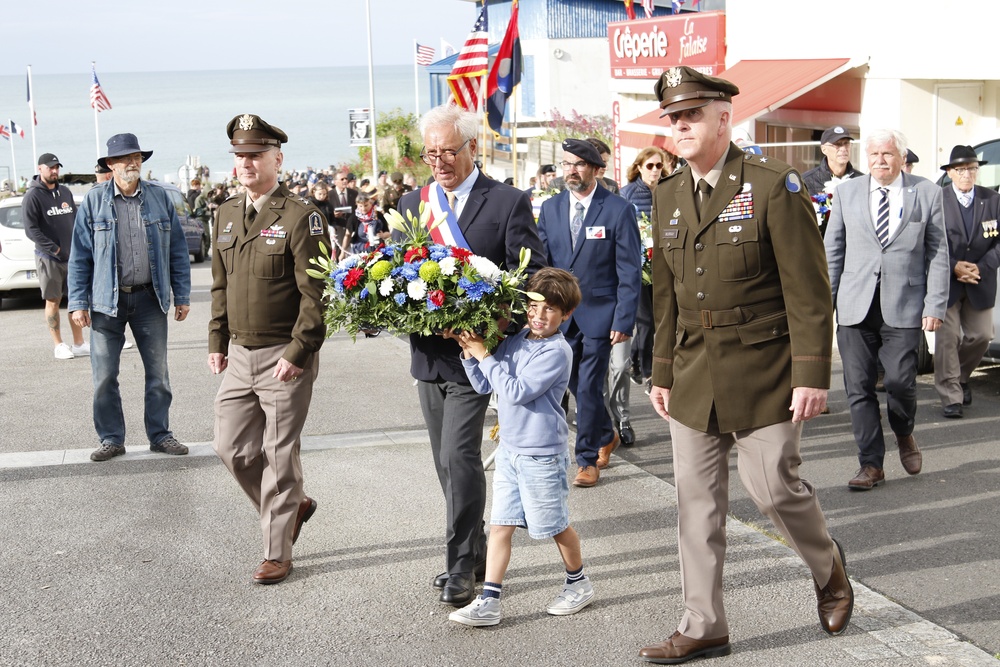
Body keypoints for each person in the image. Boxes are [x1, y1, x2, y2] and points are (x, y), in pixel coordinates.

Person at [642, 66, 853, 663]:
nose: (681, 127)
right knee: (696, 502)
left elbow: (808, 291)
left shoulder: (771, 184)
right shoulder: (666, 195)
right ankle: (703, 623)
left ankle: (829, 567)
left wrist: (812, 373)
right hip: (691, 372)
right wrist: (661, 370)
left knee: (772, 490)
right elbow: (665, 293)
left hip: (767, 369)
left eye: (692, 116)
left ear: (723, 117)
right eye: (673, 119)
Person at [397, 104, 546, 608]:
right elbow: (397, 274)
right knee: (445, 463)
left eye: (447, 152)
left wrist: (494, 326)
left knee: (460, 456)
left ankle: (461, 568)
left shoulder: (506, 202)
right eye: (430, 153)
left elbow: (532, 278)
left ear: (472, 148)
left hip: (476, 357)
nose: (438, 162)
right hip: (428, 357)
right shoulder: (415, 202)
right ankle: (477, 549)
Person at [209, 114, 330, 586]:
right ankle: (293, 505)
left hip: (285, 355)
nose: (246, 163)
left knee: (279, 455)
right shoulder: (223, 214)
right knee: (231, 448)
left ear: (277, 159)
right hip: (240, 354)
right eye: (240, 155)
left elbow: (315, 295)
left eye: (256, 155)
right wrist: (217, 339)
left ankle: (276, 551)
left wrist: (299, 352)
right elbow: (220, 286)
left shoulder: (302, 216)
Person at [448, 268, 594, 627]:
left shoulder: (557, 351)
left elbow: (514, 390)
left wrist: (485, 355)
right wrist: (469, 352)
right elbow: (485, 385)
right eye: (533, 306)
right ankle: (490, 600)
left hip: (541, 453)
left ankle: (578, 583)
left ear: (566, 314)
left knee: (554, 525)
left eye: (549, 310)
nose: (538, 315)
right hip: (511, 450)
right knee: (501, 525)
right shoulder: (516, 340)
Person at [825, 129, 949, 490]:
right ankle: (871, 465)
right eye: (874, 154)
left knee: (899, 382)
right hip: (854, 305)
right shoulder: (847, 192)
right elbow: (833, 251)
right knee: (858, 387)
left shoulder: (925, 192)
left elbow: (938, 253)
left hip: (905, 305)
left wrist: (934, 303)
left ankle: (904, 432)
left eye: (888, 154)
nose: (880, 160)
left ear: (902, 157)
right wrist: (824, 304)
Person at [68, 133, 192, 462]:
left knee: (159, 373)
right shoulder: (93, 201)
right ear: (111, 165)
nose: (132, 163)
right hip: (105, 303)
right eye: (125, 158)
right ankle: (111, 438)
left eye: (136, 157)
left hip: (150, 300)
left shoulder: (159, 198)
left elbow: (178, 249)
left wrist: (182, 294)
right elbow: (79, 256)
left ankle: (160, 434)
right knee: (104, 375)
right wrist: (78, 302)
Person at [536, 138, 642, 488]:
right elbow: (543, 266)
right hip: (561, 318)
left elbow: (629, 270)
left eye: (580, 164)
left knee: (588, 387)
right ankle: (605, 433)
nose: (571, 170)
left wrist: (624, 319)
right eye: (567, 163)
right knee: (573, 382)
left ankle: (586, 460)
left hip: (601, 315)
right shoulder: (550, 209)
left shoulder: (617, 209)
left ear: (596, 169)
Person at [933, 145, 1000, 418]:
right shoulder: (937, 199)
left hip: (979, 279)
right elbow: (928, 242)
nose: (966, 175)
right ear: (950, 173)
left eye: (971, 169)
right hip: (946, 280)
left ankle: (960, 377)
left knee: (982, 336)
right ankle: (951, 396)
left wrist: (982, 267)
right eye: (960, 170)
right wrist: (953, 267)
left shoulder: (993, 199)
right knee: (947, 338)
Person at [610, 146, 667, 445]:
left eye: (659, 165)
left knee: (658, 321)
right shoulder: (628, 194)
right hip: (639, 267)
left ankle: (641, 362)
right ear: (639, 167)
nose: (655, 170)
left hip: (664, 267)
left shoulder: (669, 190)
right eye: (650, 165)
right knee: (645, 321)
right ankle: (646, 370)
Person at [21, 153, 87, 360]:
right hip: (49, 259)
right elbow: (31, 230)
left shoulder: (65, 192)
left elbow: (77, 222)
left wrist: (80, 247)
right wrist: (55, 250)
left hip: (72, 258)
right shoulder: (32, 196)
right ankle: (59, 345)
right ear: (40, 168)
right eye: (51, 168)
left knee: (75, 300)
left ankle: (79, 343)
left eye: (57, 167)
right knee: (53, 301)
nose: (55, 171)